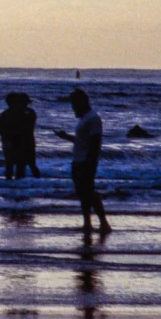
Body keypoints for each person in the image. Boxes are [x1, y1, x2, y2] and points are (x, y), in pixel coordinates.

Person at [53, 88, 111, 233]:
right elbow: (82, 141)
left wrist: (90, 161)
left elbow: (95, 142)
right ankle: (87, 223)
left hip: (85, 161)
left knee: (88, 192)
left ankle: (103, 223)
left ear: (83, 102)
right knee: (82, 193)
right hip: (79, 159)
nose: (73, 108)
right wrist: (65, 136)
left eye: (74, 104)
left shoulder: (93, 119)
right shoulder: (85, 119)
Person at [0, 92, 40, 179]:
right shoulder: (9, 113)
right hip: (17, 143)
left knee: (23, 165)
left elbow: (1, 128)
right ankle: (19, 185)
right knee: (13, 166)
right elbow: (0, 128)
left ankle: (21, 185)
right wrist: (6, 140)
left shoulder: (27, 113)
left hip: (23, 143)